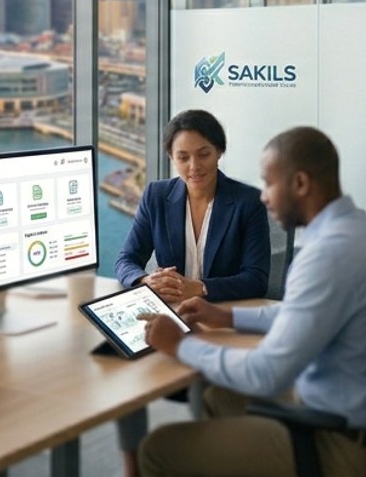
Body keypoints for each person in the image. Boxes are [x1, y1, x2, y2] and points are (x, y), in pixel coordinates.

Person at [135, 127, 366, 477]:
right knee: (220, 397)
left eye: (270, 184)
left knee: (158, 450)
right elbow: (301, 314)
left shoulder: (326, 256)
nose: (263, 197)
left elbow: (265, 374)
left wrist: (181, 344)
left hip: (340, 439)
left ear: (301, 183)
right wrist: (227, 318)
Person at [112, 109, 271, 475]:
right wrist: (143, 281)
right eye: (182, 157)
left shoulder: (247, 202)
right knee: (122, 365)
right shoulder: (156, 195)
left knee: (203, 382)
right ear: (171, 158)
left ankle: (206, 460)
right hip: (171, 317)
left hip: (219, 324)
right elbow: (125, 259)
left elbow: (257, 278)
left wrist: (199, 287)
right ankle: (132, 464)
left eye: (203, 154)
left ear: (219, 152)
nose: (193, 166)